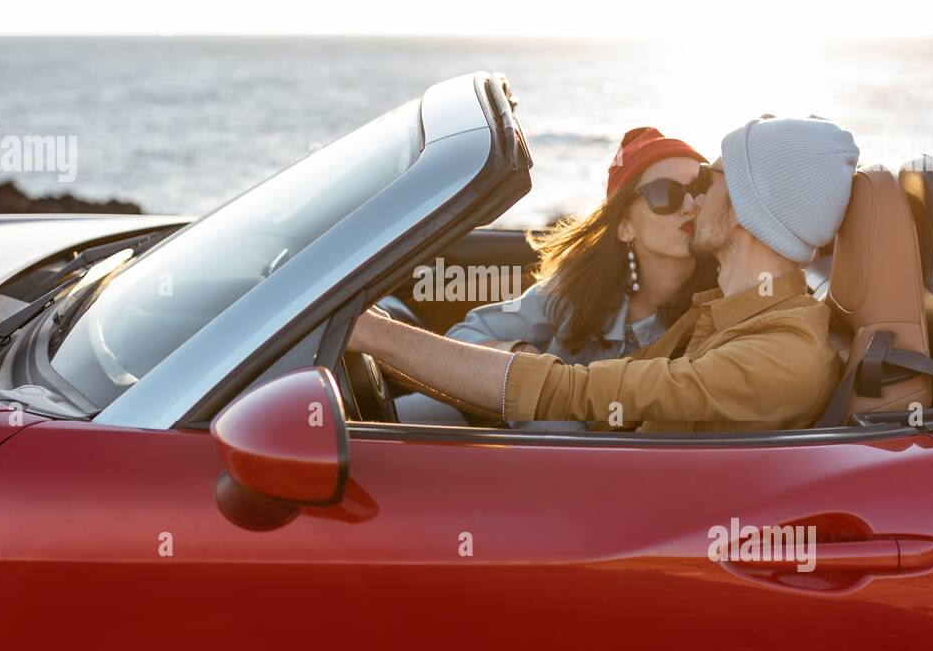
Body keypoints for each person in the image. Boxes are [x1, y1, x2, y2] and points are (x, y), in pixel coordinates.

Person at [351, 115, 859, 433]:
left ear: (750, 209)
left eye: (710, 180)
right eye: (673, 193)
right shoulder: (723, 316)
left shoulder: (779, 354)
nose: (694, 200)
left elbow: (574, 396)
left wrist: (375, 334)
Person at [447, 127, 719, 362]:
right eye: (665, 194)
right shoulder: (580, 289)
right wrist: (520, 354)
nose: (690, 206)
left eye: (700, 189)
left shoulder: (725, 302)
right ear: (625, 227)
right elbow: (462, 337)